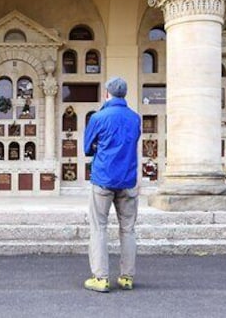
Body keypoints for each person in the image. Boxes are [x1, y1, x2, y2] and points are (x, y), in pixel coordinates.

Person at [83, 76, 141, 293]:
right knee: (128, 229)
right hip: (127, 179)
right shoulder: (135, 118)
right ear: (124, 94)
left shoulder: (98, 117)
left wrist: (101, 146)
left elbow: (87, 148)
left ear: (106, 93)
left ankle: (101, 278)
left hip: (103, 179)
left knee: (99, 227)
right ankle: (126, 277)